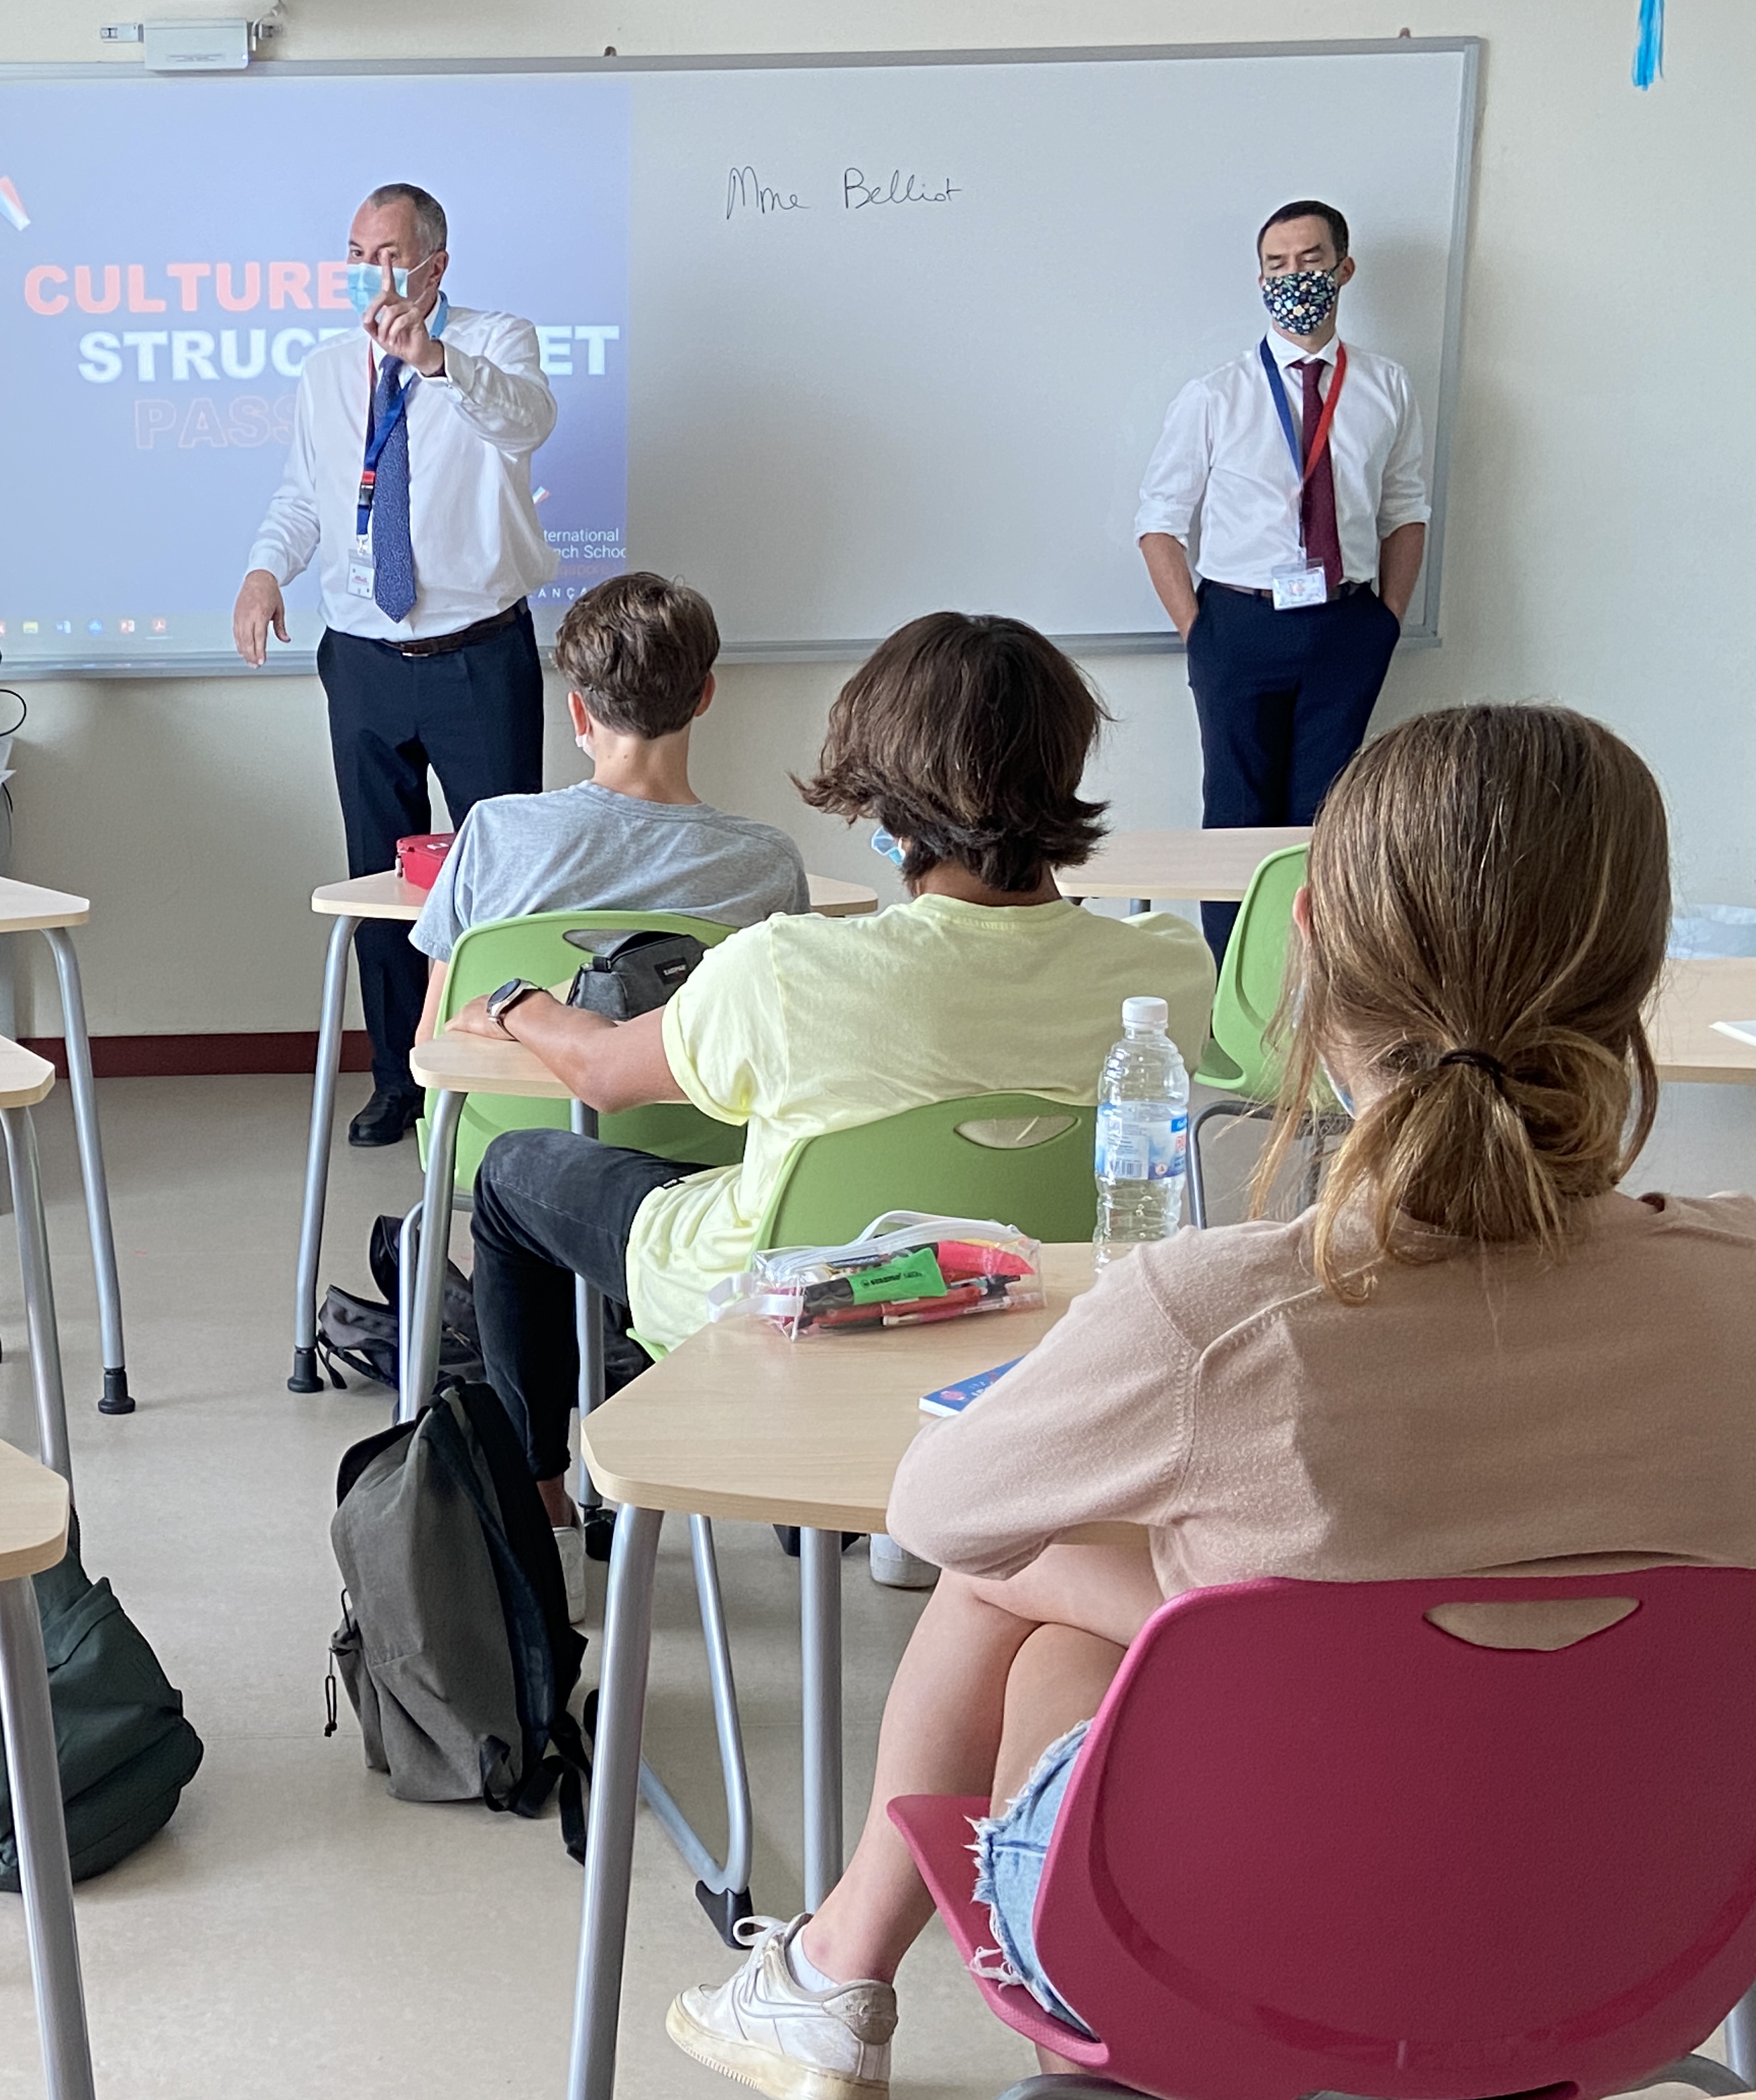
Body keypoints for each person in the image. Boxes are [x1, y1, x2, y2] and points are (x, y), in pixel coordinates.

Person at [665, 703, 1756, 2100]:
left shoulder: (1215, 1314)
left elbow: (942, 1517)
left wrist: (1161, 1582)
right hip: (1640, 1952)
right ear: (1637, 985)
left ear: (1311, 962)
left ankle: (890, 2008)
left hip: (1213, 1964)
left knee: (1031, 1596)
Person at [449, 614, 1214, 1562]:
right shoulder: (1171, 973)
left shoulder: (787, 970)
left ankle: (541, 1517)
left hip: (782, 1305)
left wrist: (519, 1001)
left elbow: (605, 1073)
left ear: (884, 796)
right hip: (1027, 1310)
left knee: (516, 1171)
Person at [237, 181, 559, 1147]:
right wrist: (263, 572)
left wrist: (435, 360)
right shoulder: (330, 368)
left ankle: (505, 1076)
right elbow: (307, 495)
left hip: (479, 656)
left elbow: (525, 423)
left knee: (502, 879)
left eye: (387, 253)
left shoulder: (498, 343)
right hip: (365, 658)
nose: (368, 272)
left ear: (435, 265)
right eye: (355, 252)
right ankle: (397, 1081)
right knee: (378, 882)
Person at [1135, 198, 1429, 959]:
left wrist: (1386, 621)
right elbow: (1160, 520)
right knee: (1235, 812)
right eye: (1277, 264)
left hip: (1345, 625)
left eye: (1309, 260)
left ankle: (1315, 992)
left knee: (1329, 818)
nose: (1294, 276)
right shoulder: (1216, 395)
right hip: (1238, 623)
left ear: (1343, 269)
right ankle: (1235, 997)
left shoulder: (1386, 387)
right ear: (1259, 278)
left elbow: (1406, 510)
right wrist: (1198, 630)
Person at [409, 571, 812, 1031]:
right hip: (690, 1105)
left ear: (578, 711)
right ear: (705, 696)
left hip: (498, 1103)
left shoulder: (493, 832)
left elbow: (431, 1038)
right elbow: (783, 1038)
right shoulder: (768, 864)